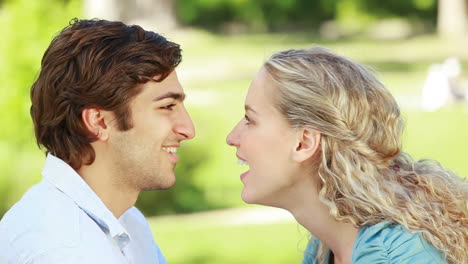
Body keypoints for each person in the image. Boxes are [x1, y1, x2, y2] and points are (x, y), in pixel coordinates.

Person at [226, 47, 467, 264]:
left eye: (250, 120)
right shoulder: (323, 250)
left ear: (304, 142)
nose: (231, 137)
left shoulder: (395, 257)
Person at [0, 18, 195, 264]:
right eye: (167, 106)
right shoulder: (62, 251)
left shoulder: (127, 221)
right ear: (98, 122)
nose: (188, 129)